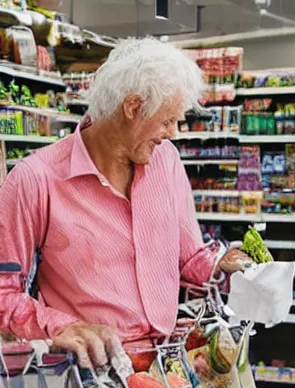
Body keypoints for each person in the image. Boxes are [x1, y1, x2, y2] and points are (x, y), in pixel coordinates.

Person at [0, 38, 251, 369]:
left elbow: (190, 259)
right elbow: (4, 295)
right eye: (166, 121)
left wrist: (226, 266)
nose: (173, 133)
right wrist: (61, 326)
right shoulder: (35, 179)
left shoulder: (167, 161)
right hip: (89, 379)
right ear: (132, 107)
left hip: (170, 369)